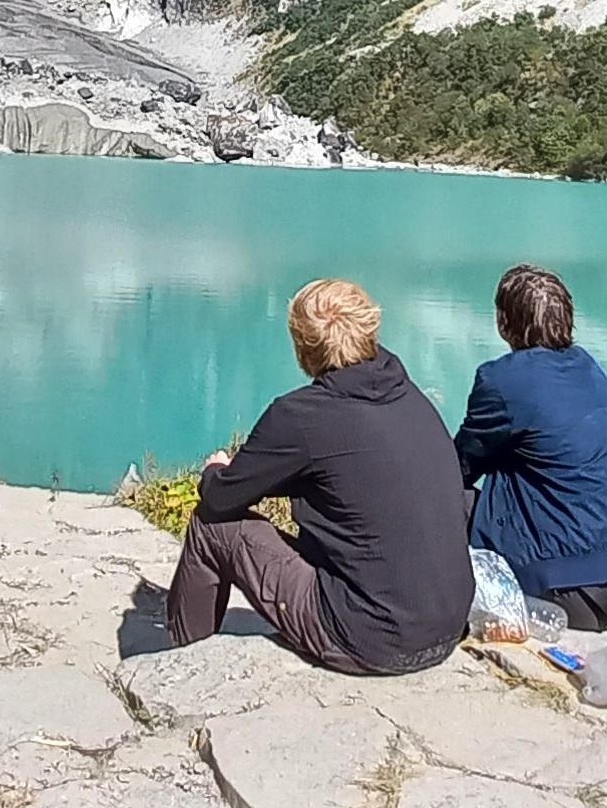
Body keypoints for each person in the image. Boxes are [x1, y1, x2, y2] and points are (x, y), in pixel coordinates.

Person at [166, 278, 472, 675]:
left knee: (213, 527)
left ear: (302, 347)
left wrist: (214, 472)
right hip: (446, 626)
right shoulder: (409, 395)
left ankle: (179, 664)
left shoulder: (301, 417)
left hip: (371, 638)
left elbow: (222, 499)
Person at [455, 264, 607, 629]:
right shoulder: (587, 367)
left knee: (443, 496)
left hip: (573, 591)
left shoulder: (501, 380)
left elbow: (458, 466)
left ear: (504, 323)